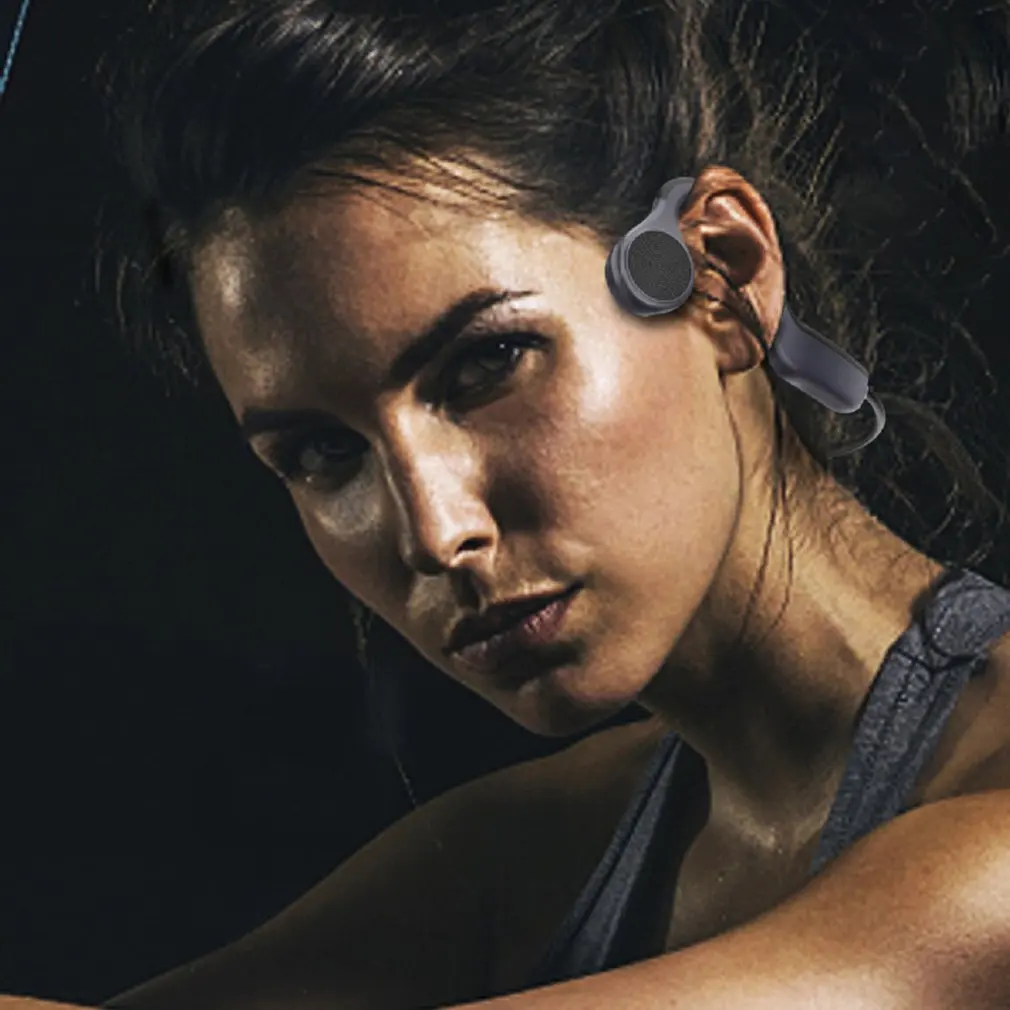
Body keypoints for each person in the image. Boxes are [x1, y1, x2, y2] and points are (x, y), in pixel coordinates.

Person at [6, 1, 1010, 1008]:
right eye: (322, 452)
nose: (437, 531)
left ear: (719, 275)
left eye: (489, 362)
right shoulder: (531, 856)